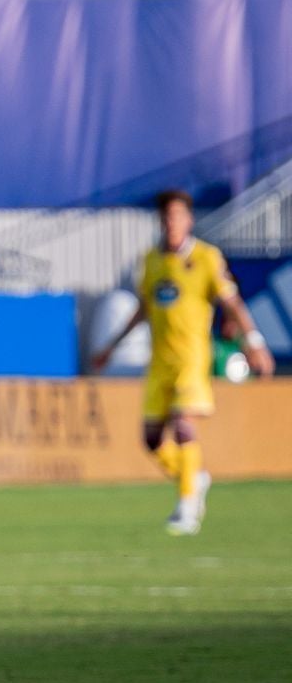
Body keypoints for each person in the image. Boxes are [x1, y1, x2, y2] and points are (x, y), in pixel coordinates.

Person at [91, 190, 274, 535]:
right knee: (151, 440)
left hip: (192, 359)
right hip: (160, 362)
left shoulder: (206, 258)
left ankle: (187, 507)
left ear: (189, 220)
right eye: (166, 217)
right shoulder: (151, 261)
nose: (171, 223)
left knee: (184, 426)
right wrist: (111, 347)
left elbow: (232, 302)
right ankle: (195, 477)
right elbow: (144, 308)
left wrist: (253, 342)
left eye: (177, 216)